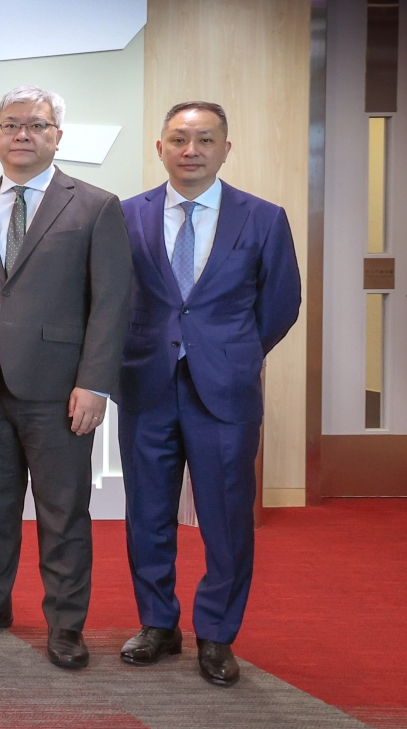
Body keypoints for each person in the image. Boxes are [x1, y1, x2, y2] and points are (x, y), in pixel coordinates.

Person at [0, 86, 132, 670]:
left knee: (62, 511)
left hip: (60, 387)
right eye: (11, 124)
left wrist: (95, 383)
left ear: (58, 136)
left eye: (37, 125)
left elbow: (112, 303)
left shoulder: (95, 206)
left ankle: (66, 625)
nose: (23, 134)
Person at [116, 102, 300, 686]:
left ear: (225, 148)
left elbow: (280, 304)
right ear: (160, 148)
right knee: (147, 512)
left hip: (225, 392)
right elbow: (109, 299)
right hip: (146, 385)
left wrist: (230, 353)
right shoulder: (125, 215)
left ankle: (216, 633)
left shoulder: (263, 218)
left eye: (204, 139)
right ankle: (157, 623)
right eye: (178, 139)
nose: (190, 150)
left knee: (226, 517)